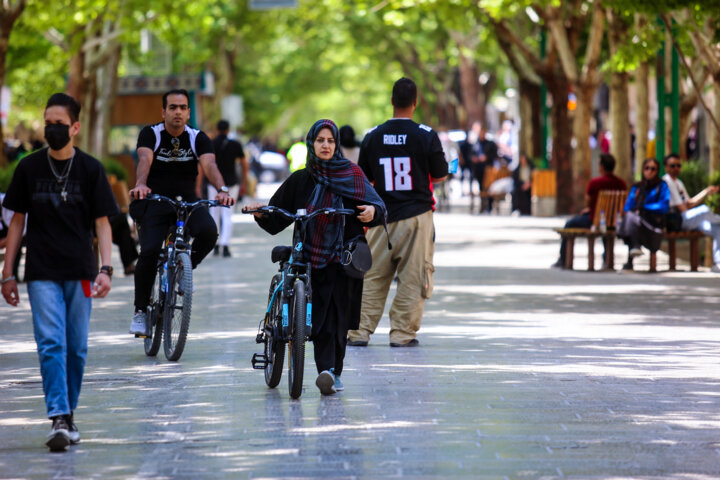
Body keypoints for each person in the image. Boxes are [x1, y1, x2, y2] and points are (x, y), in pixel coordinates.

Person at [1, 93, 118, 451]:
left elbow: (103, 225)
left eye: (59, 124)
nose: (52, 129)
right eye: (48, 122)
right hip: (41, 271)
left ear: (75, 127)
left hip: (81, 270)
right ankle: (59, 417)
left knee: (77, 348)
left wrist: (106, 269)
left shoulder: (91, 170)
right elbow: (16, 224)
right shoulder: (28, 168)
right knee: (51, 343)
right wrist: (7, 274)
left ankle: (68, 414)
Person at [248, 119, 386, 395]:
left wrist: (372, 212)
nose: (325, 145)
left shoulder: (352, 174)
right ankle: (326, 371)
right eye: (320, 140)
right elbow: (277, 216)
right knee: (321, 316)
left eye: (330, 141)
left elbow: (378, 206)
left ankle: (333, 372)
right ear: (312, 143)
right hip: (310, 256)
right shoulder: (302, 179)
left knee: (339, 318)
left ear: (336, 145)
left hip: (345, 257)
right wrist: (261, 212)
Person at [347, 77, 448, 348]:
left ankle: (358, 332)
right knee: (414, 277)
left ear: (392, 101)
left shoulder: (373, 136)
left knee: (372, 275)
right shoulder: (426, 135)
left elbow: (365, 180)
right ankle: (402, 334)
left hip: (381, 216)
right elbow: (439, 176)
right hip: (417, 216)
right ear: (415, 103)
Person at [128, 89, 235, 336]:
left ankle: (183, 272)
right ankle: (141, 311)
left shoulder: (198, 137)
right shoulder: (151, 134)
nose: (178, 112)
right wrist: (141, 184)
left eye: (182, 107)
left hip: (187, 201)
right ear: (163, 111)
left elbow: (209, 164)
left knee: (209, 232)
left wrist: (222, 189)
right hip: (155, 199)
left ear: (188, 112)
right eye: (173, 107)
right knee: (150, 252)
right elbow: (144, 160)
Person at [552, 153, 627, 269]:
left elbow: (588, 202)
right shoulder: (622, 184)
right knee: (606, 228)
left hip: (595, 220)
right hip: (613, 222)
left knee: (569, 224)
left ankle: (563, 259)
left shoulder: (595, 183)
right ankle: (607, 259)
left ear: (601, 166)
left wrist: (591, 209)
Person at [662, 153, 720, 272]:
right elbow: (683, 209)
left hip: (686, 218)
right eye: (672, 166)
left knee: (717, 229)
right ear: (666, 167)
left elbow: (688, 203)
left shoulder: (678, 182)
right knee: (704, 210)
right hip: (676, 220)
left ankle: (718, 263)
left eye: (678, 165)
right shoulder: (667, 181)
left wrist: (706, 192)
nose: (676, 168)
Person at [618, 158, 670, 270]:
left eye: (653, 169)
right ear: (643, 170)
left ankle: (633, 252)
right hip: (636, 222)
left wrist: (645, 208)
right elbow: (627, 207)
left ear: (657, 171)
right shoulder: (637, 187)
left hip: (653, 224)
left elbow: (664, 206)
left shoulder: (662, 186)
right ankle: (635, 246)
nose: (649, 171)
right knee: (630, 217)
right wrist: (637, 210)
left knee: (630, 219)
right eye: (647, 168)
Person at [208, 119, 248, 258]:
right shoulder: (235, 144)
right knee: (228, 215)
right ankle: (225, 245)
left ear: (217, 129)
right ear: (228, 130)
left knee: (214, 214)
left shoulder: (211, 144)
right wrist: (244, 182)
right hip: (232, 184)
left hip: (213, 184)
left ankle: (216, 244)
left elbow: (203, 165)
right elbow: (244, 164)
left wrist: (198, 184)